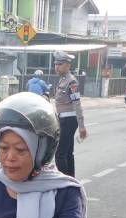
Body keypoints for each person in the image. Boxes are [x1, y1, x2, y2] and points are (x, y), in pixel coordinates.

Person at [53, 50, 87, 178]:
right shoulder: (62, 80)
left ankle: (65, 182)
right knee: (67, 153)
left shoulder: (71, 82)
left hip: (68, 120)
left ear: (68, 65)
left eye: (60, 64)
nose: (57, 67)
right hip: (63, 119)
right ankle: (71, 179)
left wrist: (82, 125)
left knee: (60, 154)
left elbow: (77, 103)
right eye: (56, 64)